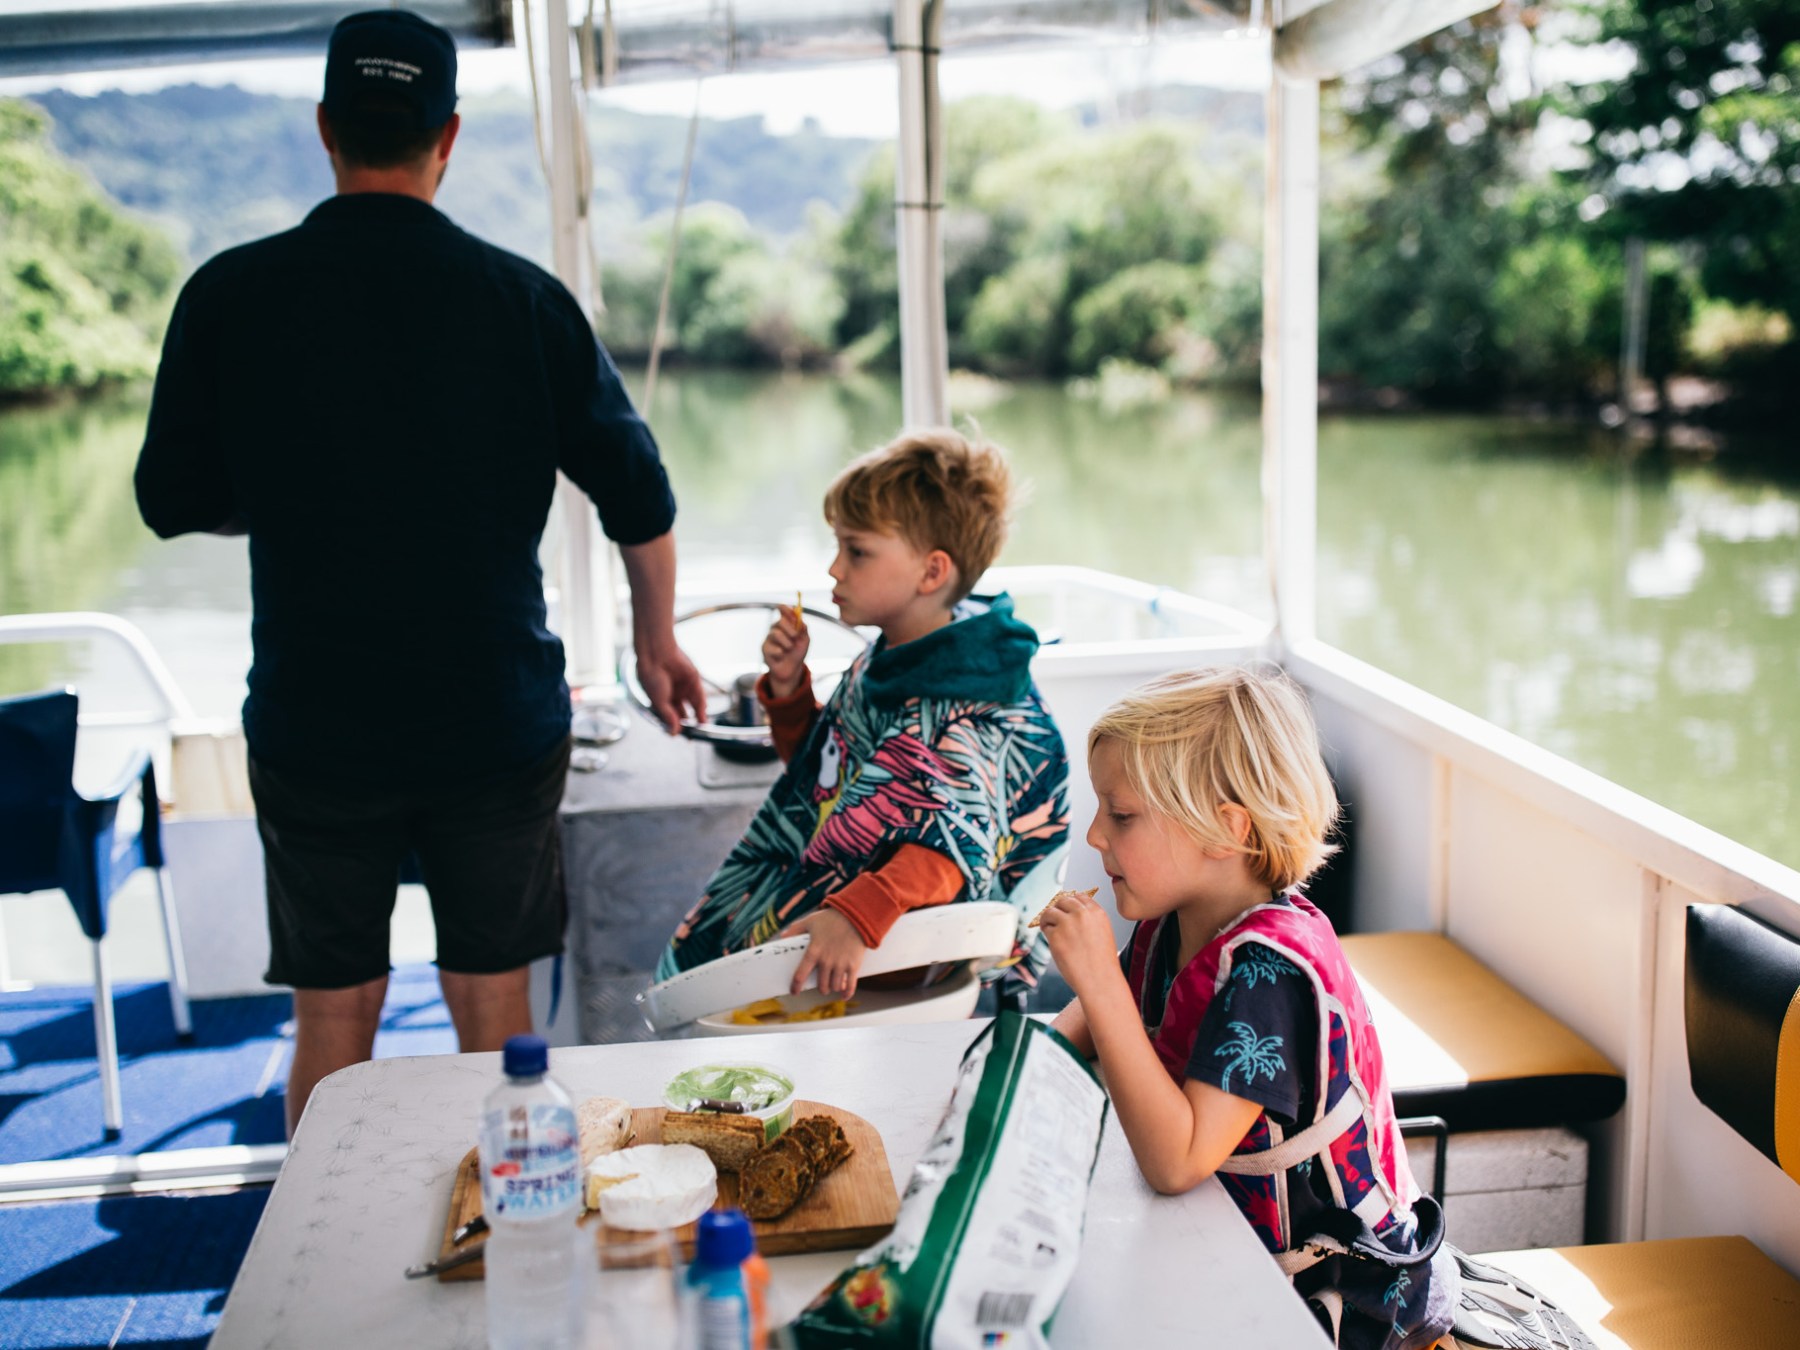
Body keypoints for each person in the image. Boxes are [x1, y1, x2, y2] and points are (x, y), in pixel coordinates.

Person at [133, 10, 704, 1134]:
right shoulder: (522, 299)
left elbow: (172, 500)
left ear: (325, 131)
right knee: (495, 1017)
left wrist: (300, 500)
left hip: (316, 719)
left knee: (333, 1023)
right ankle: (499, 1249)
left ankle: (326, 1284)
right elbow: (639, 494)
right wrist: (655, 641)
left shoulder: (229, 295)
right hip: (492, 718)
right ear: (446, 138)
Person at [1037, 667, 1456, 1350]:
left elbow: (1176, 1163)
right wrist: (1017, 1078)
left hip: (1341, 1295)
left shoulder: (1268, 980)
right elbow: (1081, 1031)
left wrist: (1096, 985)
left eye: (1121, 815)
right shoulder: (1171, 924)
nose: (1094, 837)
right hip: (1228, 1244)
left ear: (1223, 832)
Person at [655, 430, 1069, 1006]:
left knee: (717, 993)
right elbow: (831, 779)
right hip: (860, 908)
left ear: (931, 573)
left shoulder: (965, 701)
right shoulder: (895, 656)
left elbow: (948, 845)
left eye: (857, 550)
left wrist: (854, 917)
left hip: (890, 947)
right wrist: (788, 690)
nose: (834, 569)